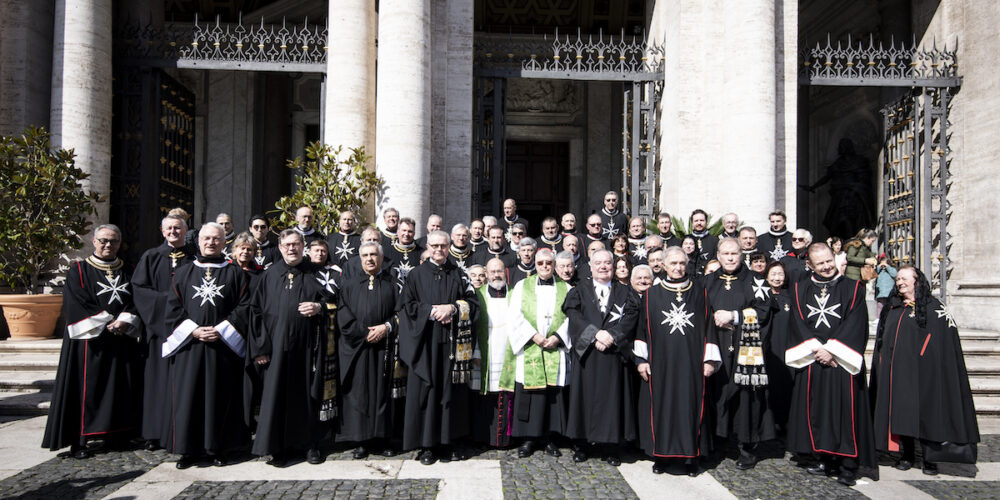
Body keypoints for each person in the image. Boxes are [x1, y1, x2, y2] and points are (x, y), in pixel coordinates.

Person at [43, 224, 143, 459]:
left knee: (120, 388)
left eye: (114, 241)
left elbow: (137, 297)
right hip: (90, 341)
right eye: (104, 240)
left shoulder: (128, 269)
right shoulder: (78, 269)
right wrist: (108, 321)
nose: (109, 245)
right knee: (87, 389)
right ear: (94, 241)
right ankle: (81, 440)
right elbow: (76, 301)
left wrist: (125, 320)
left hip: (122, 339)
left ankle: (117, 435)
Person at [870, 266, 980, 475]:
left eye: (904, 278)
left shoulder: (933, 308)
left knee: (929, 414)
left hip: (927, 373)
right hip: (899, 373)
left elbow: (944, 342)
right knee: (902, 414)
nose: (900, 282)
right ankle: (907, 454)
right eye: (898, 279)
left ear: (917, 281)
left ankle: (931, 459)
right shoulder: (893, 308)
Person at [785, 242, 878, 486]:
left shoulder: (854, 287)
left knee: (846, 411)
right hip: (813, 359)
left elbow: (857, 323)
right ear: (810, 265)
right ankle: (824, 458)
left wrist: (833, 350)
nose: (826, 266)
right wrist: (817, 349)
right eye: (820, 263)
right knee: (817, 409)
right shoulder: (799, 289)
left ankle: (848, 464)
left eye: (829, 261)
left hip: (841, 362)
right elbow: (797, 322)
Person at [162, 223, 252, 469]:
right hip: (190, 347)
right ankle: (187, 450)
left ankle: (219, 448)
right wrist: (193, 329)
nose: (211, 243)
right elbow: (171, 308)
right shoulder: (182, 273)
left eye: (216, 239)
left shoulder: (237, 274)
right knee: (188, 398)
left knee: (220, 398)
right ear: (198, 241)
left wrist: (221, 329)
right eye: (206, 238)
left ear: (225, 243)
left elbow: (245, 307)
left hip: (222, 347)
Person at [634, 246, 720, 476]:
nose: (678, 267)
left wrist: (710, 359)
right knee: (662, 406)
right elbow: (641, 328)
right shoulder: (651, 294)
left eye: (682, 263)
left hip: (692, 363)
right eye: (673, 263)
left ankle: (691, 457)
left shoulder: (700, 291)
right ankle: (661, 456)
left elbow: (710, 326)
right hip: (661, 363)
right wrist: (641, 360)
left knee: (690, 406)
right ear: (663, 265)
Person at [250, 229, 331, 466]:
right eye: (287, 245)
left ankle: (309, 445)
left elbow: (334, 301)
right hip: (275, 350)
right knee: (276, 396)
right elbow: (256, 312)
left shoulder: (316, 273)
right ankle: (278, 447)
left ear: (303, 245)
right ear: (280, 247)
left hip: (308, 348)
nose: (292, 248)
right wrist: (261, 348)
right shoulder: (269, 275)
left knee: (306, 396)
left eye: (296, 244)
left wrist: (319, 308)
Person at [398, 230, 479, 464]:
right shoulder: (416, 275)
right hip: (425, 344)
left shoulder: (459, 274)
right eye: (434, 246)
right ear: (428, 247)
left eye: (443, 246)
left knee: (451, 393)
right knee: (427, 391)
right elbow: (406, 306)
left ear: (449, 246)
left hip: (453, 344)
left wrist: (453, 309)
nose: (439, 250)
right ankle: (427, 446)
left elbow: (473, 304)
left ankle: (450, 442)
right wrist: (432, 312)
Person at [562, 250, 639, 466]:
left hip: (613, 355)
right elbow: (573, 315)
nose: (603, 266)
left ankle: (611, 447)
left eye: (607, 263)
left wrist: (611, 336)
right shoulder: (579, 291)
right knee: (583, 399)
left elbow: (632, 317)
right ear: (590, 266)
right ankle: (582, 445)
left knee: (612, 401)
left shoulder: (625, 292)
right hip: (587, 354)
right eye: (599, 263)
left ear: (613, 266)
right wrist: (595, 334)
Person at [704, 238, 773, 470]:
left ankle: (746, 448)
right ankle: (717, 443)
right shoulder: (707, 281)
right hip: (717, 346)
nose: (730, 258)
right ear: (718, 255)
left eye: (735, 253)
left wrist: (734, 316)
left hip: (746, 347)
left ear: (742, 255)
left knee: (746, 396)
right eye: (726, 253)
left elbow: (764, 312)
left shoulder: (756, 281)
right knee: (717, 393)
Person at [132, 215, 196, 451]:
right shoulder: (151, 257)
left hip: (188, 330)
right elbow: (140, 289)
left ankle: (184, 430)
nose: (173, 231)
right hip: (159, 333)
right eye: (169, 228)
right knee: (157, 383)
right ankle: (155, 432)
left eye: (178, 228)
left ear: (186, 230)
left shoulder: (194, 258)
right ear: (162, 231)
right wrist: (168, 307)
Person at [337, 241, 406, 459]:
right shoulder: (348, 285)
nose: (369, 259)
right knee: (359, 394)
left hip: (384, 348)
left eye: (374, 255)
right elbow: (343, 313)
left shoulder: (394, 284)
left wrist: (386, 328)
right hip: (358, 348)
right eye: (365, 255)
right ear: (359, 258)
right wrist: (362, 332)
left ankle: (383, 439)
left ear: (381, 258)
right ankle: (361, 441)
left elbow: (402, 313)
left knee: (382, 394)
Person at [504, 249, 572, 458]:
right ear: (534, 264)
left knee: (552, 395)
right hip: (530, 347)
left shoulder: (567, 288)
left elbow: (572, 317)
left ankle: (549, 439)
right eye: (540, 263)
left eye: (548, 263)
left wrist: (558, 337)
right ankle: (528, 439)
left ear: (554, 265)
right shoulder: (522, 286)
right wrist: (533, 336)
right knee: (530, 394)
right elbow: (514, 315)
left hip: (554, 348)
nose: (544, 266)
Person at [470, 258, 514, 448]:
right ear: (486, 274)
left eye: (499, 271)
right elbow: (472, 327)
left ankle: (504, 439)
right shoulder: (477, 295)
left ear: (505, 272)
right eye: (492, 271)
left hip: (509, 351)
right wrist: (476, 352)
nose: (496, 275)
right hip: (485, 351)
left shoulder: (515, 294)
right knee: (484, 397)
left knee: (505, 395)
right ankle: (482, 437)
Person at [761, 261, 794, 430]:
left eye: (780, 274)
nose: (777, 278)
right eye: (773, 274)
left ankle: (785, 420)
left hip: (786, 346)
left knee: (786, 384)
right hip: (768, 347)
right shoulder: (761, 296)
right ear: (766, 276)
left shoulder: (791, 296)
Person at [384, 217, 424, 283]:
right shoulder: (386, 252)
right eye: (404, 230)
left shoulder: (421, 253)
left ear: (414, 234)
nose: (406, 234)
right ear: (398, 231)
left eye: (410, 231)